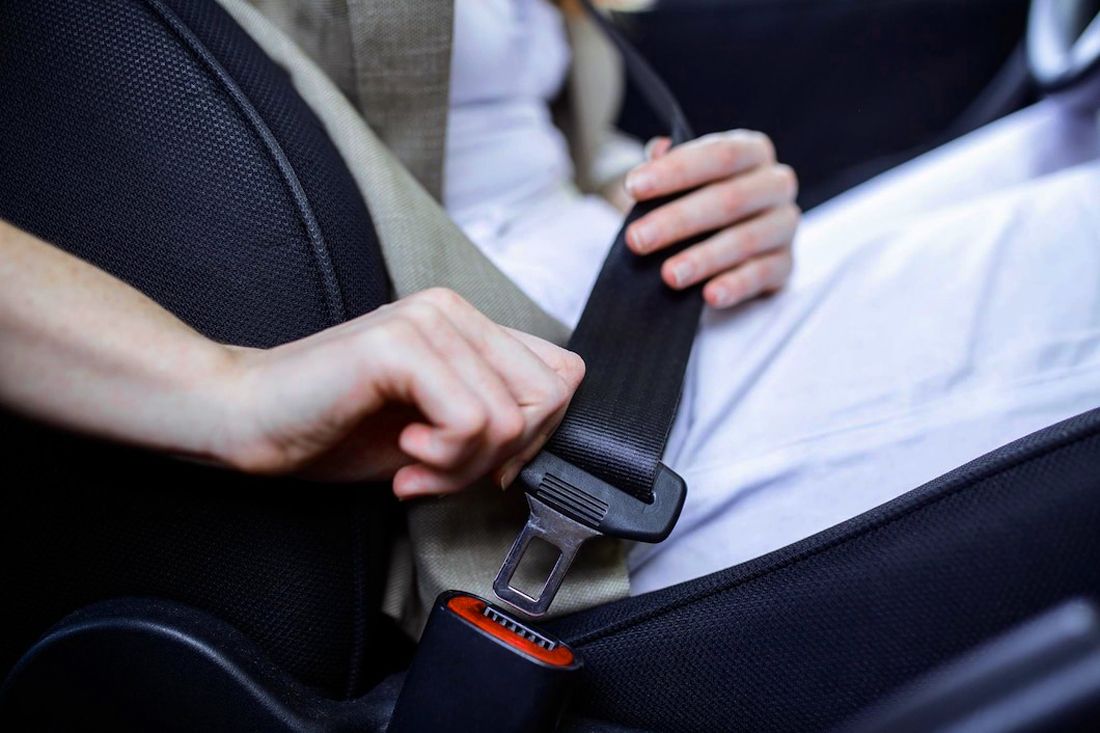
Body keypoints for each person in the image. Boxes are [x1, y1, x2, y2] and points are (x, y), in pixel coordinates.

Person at [1, 0, 1098, 621]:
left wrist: (695, 205)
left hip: (633, 325)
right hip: (553, 460)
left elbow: (496, 150)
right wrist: (218, 387)